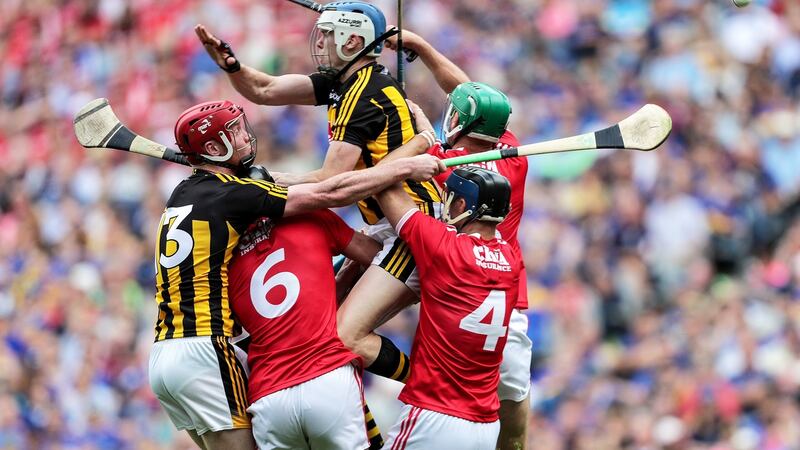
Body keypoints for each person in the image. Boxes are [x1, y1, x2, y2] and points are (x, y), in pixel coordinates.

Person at [147, 100, 443, 450]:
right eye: (234, 132)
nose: (245, 136)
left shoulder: (183, 195)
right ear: (213, 148)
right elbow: (330, 190)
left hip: (165, 358)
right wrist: (405, 165)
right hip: (209, 349)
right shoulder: (241, 198)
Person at [196, 1, 440, 396]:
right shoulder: (341, 83)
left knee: (346, 336)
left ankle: (435, 389)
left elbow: (331, 182)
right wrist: (231, 66)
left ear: (354, 41)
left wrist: (263, 183)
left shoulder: (365, 93)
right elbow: (264, 89)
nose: (320, 42)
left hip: (410, 226)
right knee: (321, 316)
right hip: (383, 227)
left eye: (329, 35)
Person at [385, 30, 534, 449]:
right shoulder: (512, 154)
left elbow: (388, 179)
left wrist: (418, 137)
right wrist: (424, 49)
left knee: (350, 332)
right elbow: (474, 99)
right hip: (506, 294)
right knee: (513, 398)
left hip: (449, 279)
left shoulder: (447, 166)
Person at [374, 161, 522, 449]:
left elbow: (386, 188)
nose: (447, 204)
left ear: (464, 204)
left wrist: (412, 163)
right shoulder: (511, 259)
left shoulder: (445, 247)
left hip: (434, 414)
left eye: (452, 198)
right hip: (485, 427)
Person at [228, 208, 381, 450]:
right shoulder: (312, 216)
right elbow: (381, 259)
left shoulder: (226, 255)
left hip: (269, 396)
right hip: (327, 378)